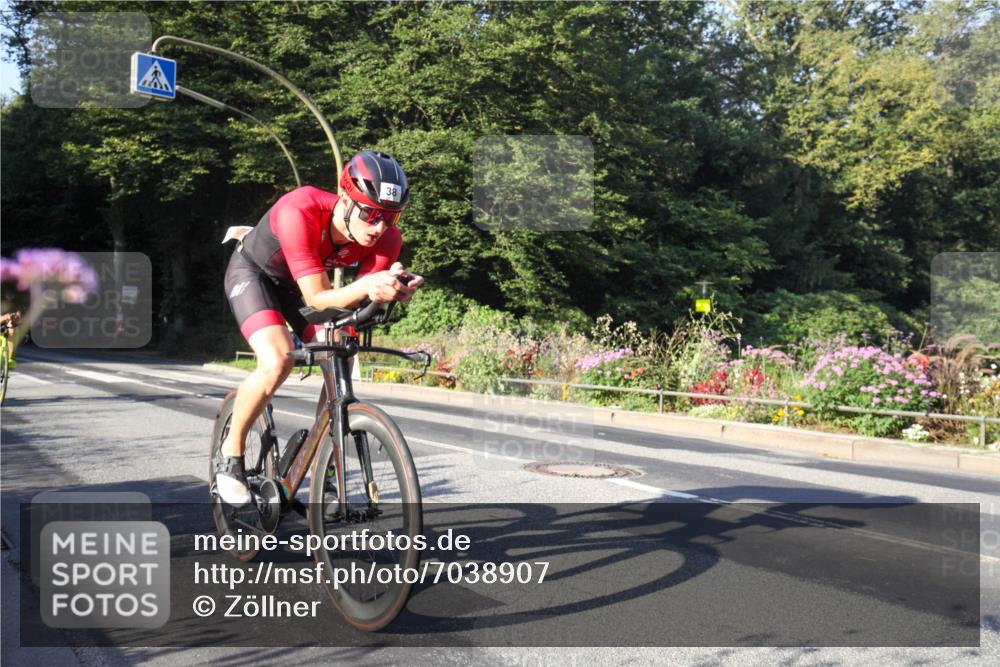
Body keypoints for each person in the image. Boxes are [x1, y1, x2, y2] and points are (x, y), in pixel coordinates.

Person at [217, 151, 423, 505]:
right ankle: (231, 453)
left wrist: (391, 291)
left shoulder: (388, 239)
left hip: (301, 287)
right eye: (371, 213)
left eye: (391, 217)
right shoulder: (300, 210)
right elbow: (317, 297)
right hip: (255, 275)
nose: (379, 227)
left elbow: (356, 305)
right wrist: (368, 285)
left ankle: (323, 463)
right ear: (344, 198)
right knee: (278, 360)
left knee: (341, 351)